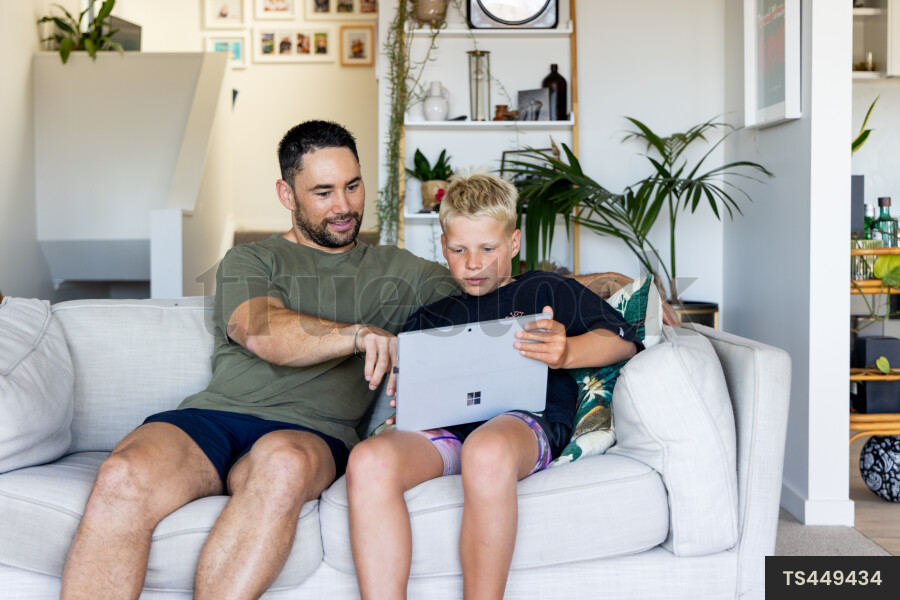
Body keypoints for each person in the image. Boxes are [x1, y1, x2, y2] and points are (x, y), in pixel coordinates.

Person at [59, 120, 457, 599]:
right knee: (121, 476)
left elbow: (495, 292)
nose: (345, 207)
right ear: (286, 194)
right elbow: (262, 330)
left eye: (353, 186)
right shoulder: (251, 260)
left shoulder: (401, 271)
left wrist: (566, 295)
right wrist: (355, 334)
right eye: (323, 192)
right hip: (213, 418)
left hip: (311, 432)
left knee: (283, 465)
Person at [346, 171, 642, 600]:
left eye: (488, 248)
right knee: (369, 460)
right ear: (443, 246)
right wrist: (407, 399)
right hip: (446, 428)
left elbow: (622, 342)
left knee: (485, 453)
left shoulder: (545, 289)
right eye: (459, 249)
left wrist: (566, 353)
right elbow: (407, 384)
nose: (474, 263)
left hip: (522, 421)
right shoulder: (431, 317)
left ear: (514, 243)